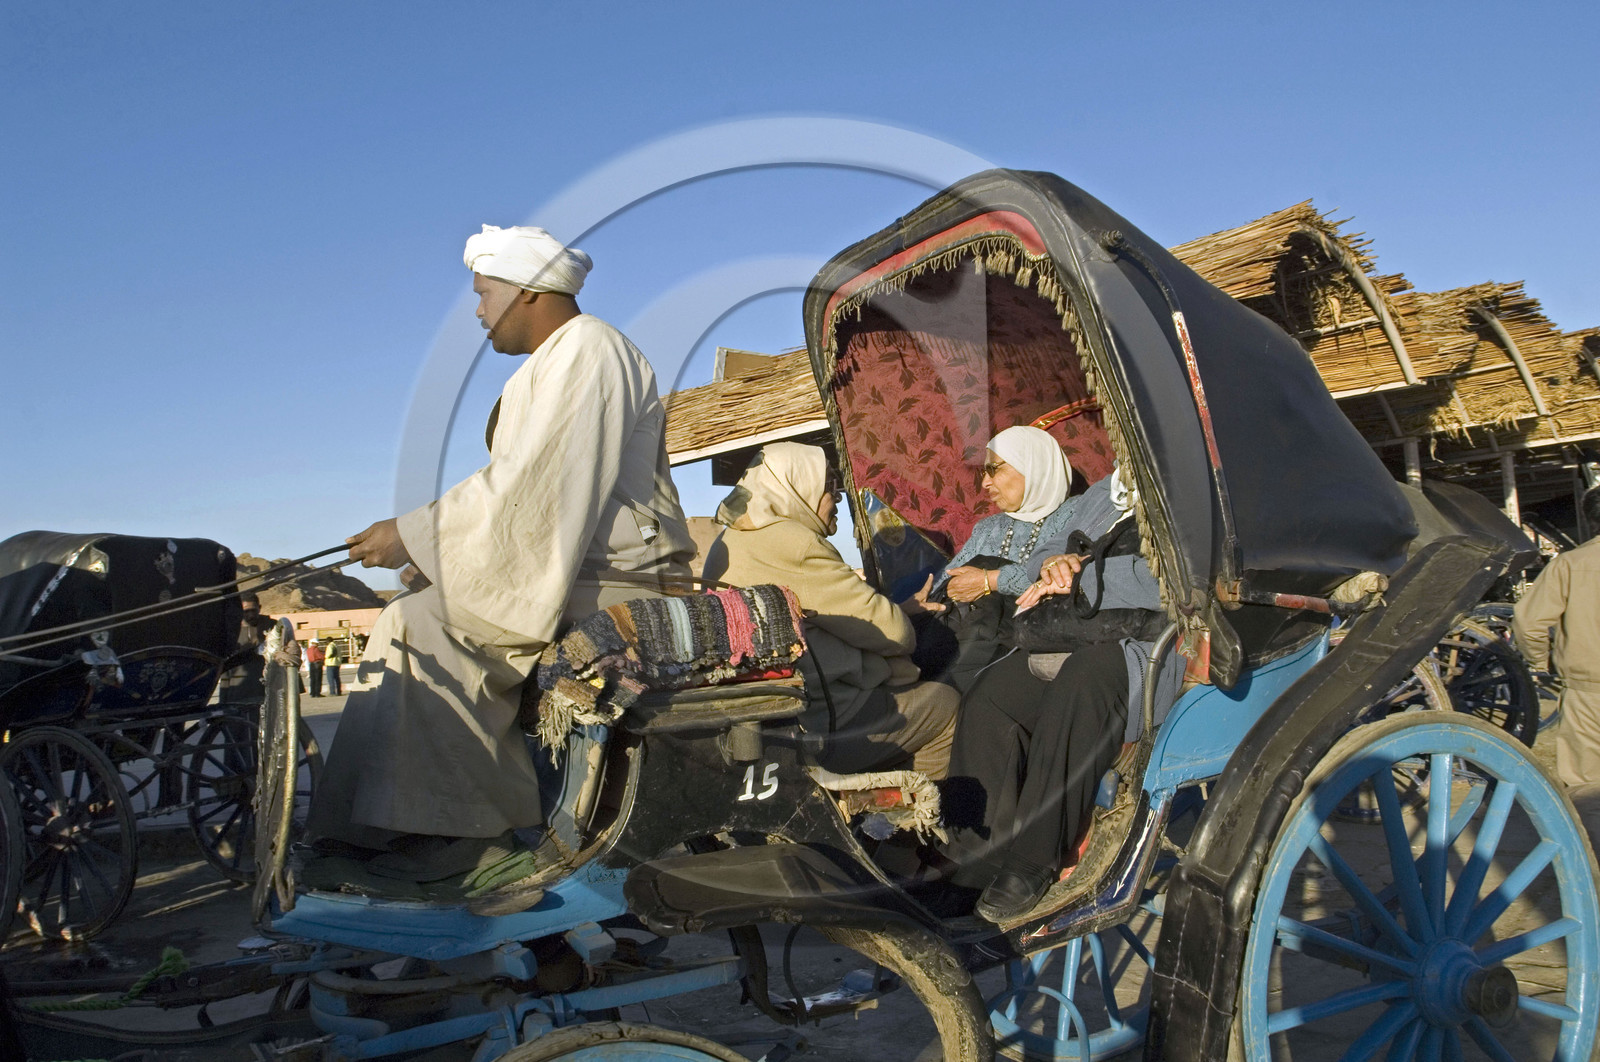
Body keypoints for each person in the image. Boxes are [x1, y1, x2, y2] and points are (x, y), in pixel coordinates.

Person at [307, 225, 696, 856]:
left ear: (528, 291)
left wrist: (416, 535)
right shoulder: (548, 365)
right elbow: (523, 500)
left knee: (420, 627)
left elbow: (539, 484)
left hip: (616, 579)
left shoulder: (590, 348)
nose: (479, 312)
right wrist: (437, 556)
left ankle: (468, 832)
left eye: (484, 294)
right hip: (573, 571)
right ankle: (376, 829)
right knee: (414, 612)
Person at [941, 466, 1176, 922]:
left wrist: (1082, 576)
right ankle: (975, 861)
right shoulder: (1108, 490)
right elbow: (1048, 549)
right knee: (991, 696)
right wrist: (1053, 565)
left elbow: (1170, 578)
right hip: (1076, 628)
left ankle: (1032, 860)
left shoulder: (1187, 490)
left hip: (1146, 642)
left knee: (1082, 682)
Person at [702, 443, 958, 779]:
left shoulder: (727, 543)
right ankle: (925, 807)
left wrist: (898, 610)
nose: (837, 497)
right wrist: (899, 618)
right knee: (944, 704)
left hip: (768, 718)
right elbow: (896, 635)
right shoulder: (796, 543)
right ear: (797, 487)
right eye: (828, 486)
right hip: (828, 724)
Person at [917, 425, 1078, 691]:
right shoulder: (989, 528)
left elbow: (1070, 579)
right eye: (984, 472)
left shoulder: (1077, 516)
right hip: (972, 656)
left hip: (1036, 658)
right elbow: (948, 582)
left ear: (1031, 465)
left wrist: (990, 580)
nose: (985, 483)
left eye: (994, 469)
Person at [1513, 489, 1600, 786]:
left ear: (1590, 520)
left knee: (1587, 785)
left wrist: (1540, 661)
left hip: (1588, 691)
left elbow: (1528, 622)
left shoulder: (1569, 564)